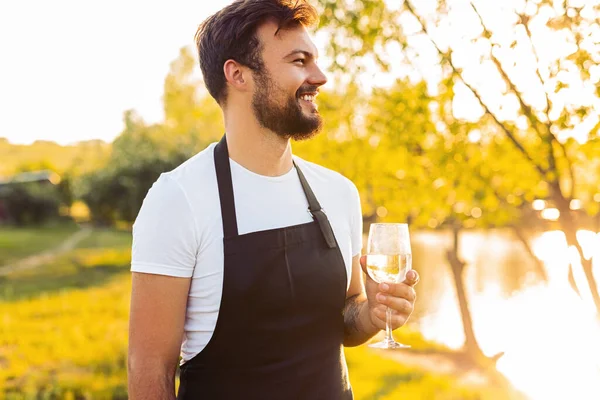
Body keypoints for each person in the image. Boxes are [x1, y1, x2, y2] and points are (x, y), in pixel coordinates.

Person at [127, 1, 419, 399]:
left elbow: (347, 318)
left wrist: (372, 315)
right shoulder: (178, 199)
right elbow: (149, 372)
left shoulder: (338, 192)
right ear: (238, 74)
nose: (320, 77)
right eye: (300, 61)